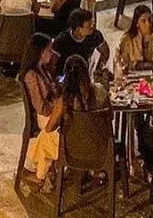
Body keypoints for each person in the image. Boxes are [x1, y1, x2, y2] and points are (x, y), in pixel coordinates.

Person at [27, 54, 109, 188]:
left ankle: (40, 175)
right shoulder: (100, 91)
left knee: (44, 137)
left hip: (73, 149)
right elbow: (109, 116)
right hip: (100, 145)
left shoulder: (65, 100)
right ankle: (46, 174)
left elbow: (49, 128)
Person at [52, 8, 109, 74]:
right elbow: (53, 63)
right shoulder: (61, 41)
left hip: (84, 72)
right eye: (88, 26)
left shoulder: (95, 35)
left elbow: (105, 50)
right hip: (65, 74)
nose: (92, 27)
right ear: (78, 29)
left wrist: (100, 66)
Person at [116, 5, 153, 73]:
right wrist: (137, 65)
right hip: (133, 77)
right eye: (143, 21)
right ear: (137, 23)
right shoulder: (127, 39)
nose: (148, 24)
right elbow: (123, 64)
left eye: (149, 19)